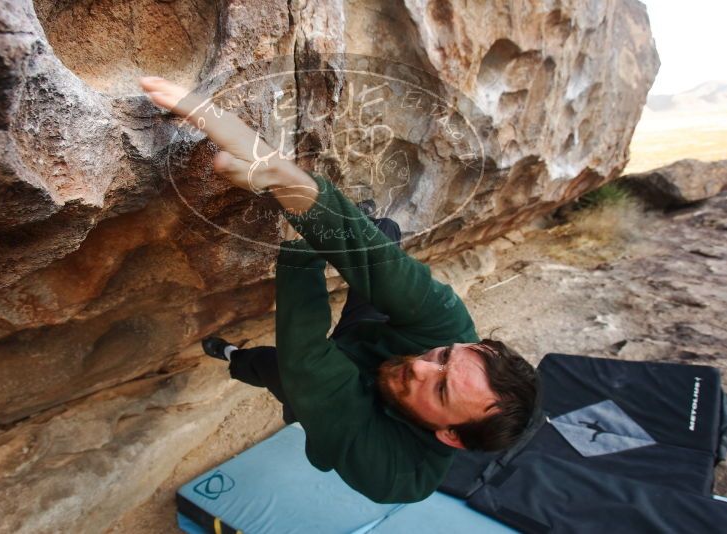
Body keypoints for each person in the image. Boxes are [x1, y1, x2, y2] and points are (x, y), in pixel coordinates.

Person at [139, 76, 537, 504]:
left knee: (270, 367)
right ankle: (345, 221)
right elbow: (383, 268)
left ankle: (229, 354)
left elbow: (307, 357)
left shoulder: (393, 473)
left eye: (440, 390)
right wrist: (274, 171)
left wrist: (299, 237)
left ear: (451, 436)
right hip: (374, 341)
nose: (424, 367)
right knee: (380, 236)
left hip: (325, 389)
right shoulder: (449, 331)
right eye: (443, 357)